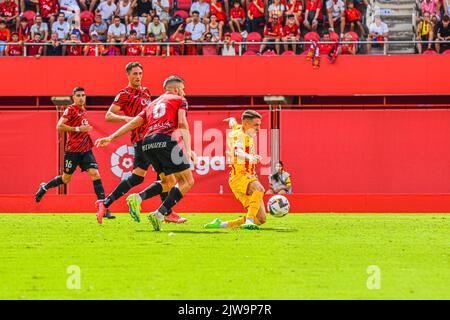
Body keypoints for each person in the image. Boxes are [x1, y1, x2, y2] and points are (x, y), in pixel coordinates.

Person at [95, 76, 196, 231]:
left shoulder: (152, 104)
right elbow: (182, 122)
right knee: (187, 181)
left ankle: (137, 198)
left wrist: (111, 137)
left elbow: (134, 123)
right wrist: (188, 149)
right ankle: (160, 214)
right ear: (176, 89)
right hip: (164, 139)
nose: (184, 92)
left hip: (146, 142)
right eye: (183, 89)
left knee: (168, 182)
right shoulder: (179, 99)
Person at [35, 87, 112, 224]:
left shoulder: (83, 110)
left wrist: (84, 131)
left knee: (95, 174)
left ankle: (103, 207)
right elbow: (59, 126)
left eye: (83, 95)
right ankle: (44, 187)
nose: (81, 98)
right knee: (66, 179)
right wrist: (78, 129)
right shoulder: (71, 109)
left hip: (86, 150)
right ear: (74, 97)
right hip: (72, 151)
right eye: (78, 95)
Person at [203, 111, 266, 230]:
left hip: (247, 176)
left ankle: (221, 224)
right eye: (256, 125)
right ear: (246, 123)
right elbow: (238, 151)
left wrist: (232, 120)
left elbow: (234, 124)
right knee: (260, 189)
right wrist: (250, 157)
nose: (259, 128)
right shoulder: (238, 136)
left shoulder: (242, 130)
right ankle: (249, 221)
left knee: (261, 219)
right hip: (240, 176)